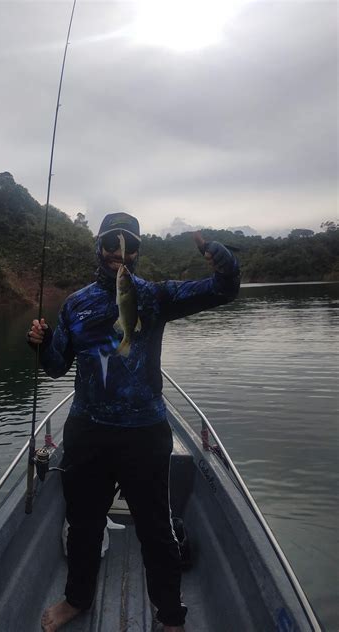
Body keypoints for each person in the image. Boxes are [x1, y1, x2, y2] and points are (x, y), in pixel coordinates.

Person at [28, 212, 240, 632]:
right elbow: (55, 367)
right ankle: (77, 599)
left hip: (145, 432)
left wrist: (220, 257)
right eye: (111, 242)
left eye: (127, 243)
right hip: (88, 430)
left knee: (156, 530)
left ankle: (171, 617)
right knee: (84, 524)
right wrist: (40, 343)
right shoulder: (75, 304)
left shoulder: (156, 297)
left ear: (139, 251)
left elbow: (223, 290)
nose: (118, 251)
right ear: (99, 247)